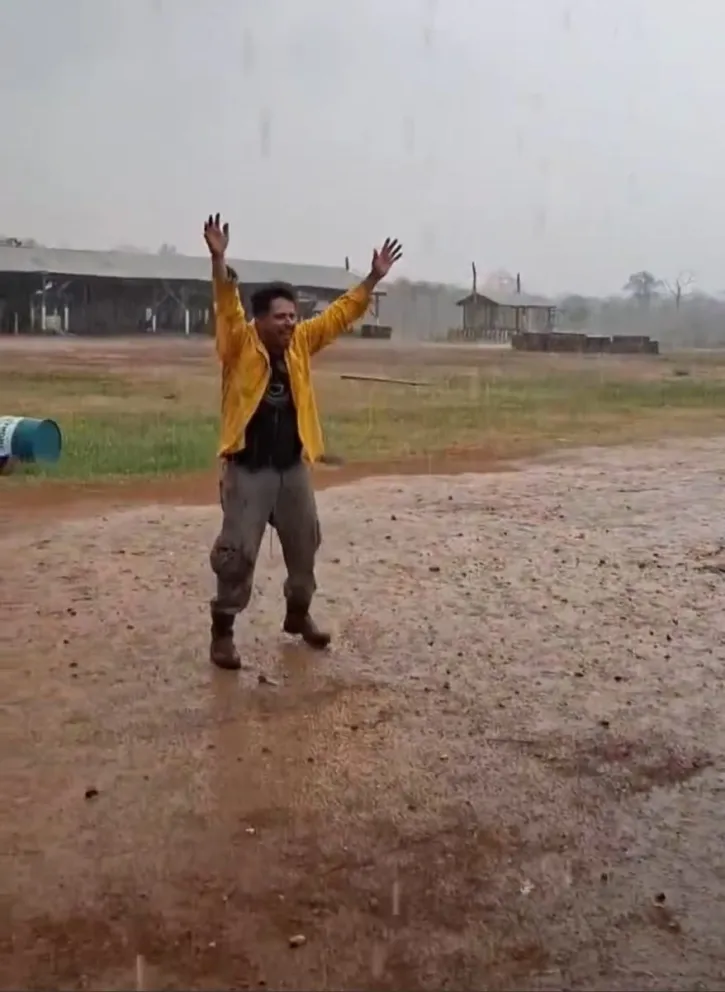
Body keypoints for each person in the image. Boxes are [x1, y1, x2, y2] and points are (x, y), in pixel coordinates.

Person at [203, 213, 403, 670]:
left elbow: (338, 315)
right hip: (248, 470)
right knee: (236, 555)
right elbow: (224, 302)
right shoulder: (238, 343)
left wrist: (372, 278)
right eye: (281, 318)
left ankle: (298, 616)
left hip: (292, 468)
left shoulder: (300, 343)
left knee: (304, 546)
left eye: (293, 316)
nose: (290, 324)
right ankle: (223, 633)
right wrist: (219, 261)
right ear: (259, 320)